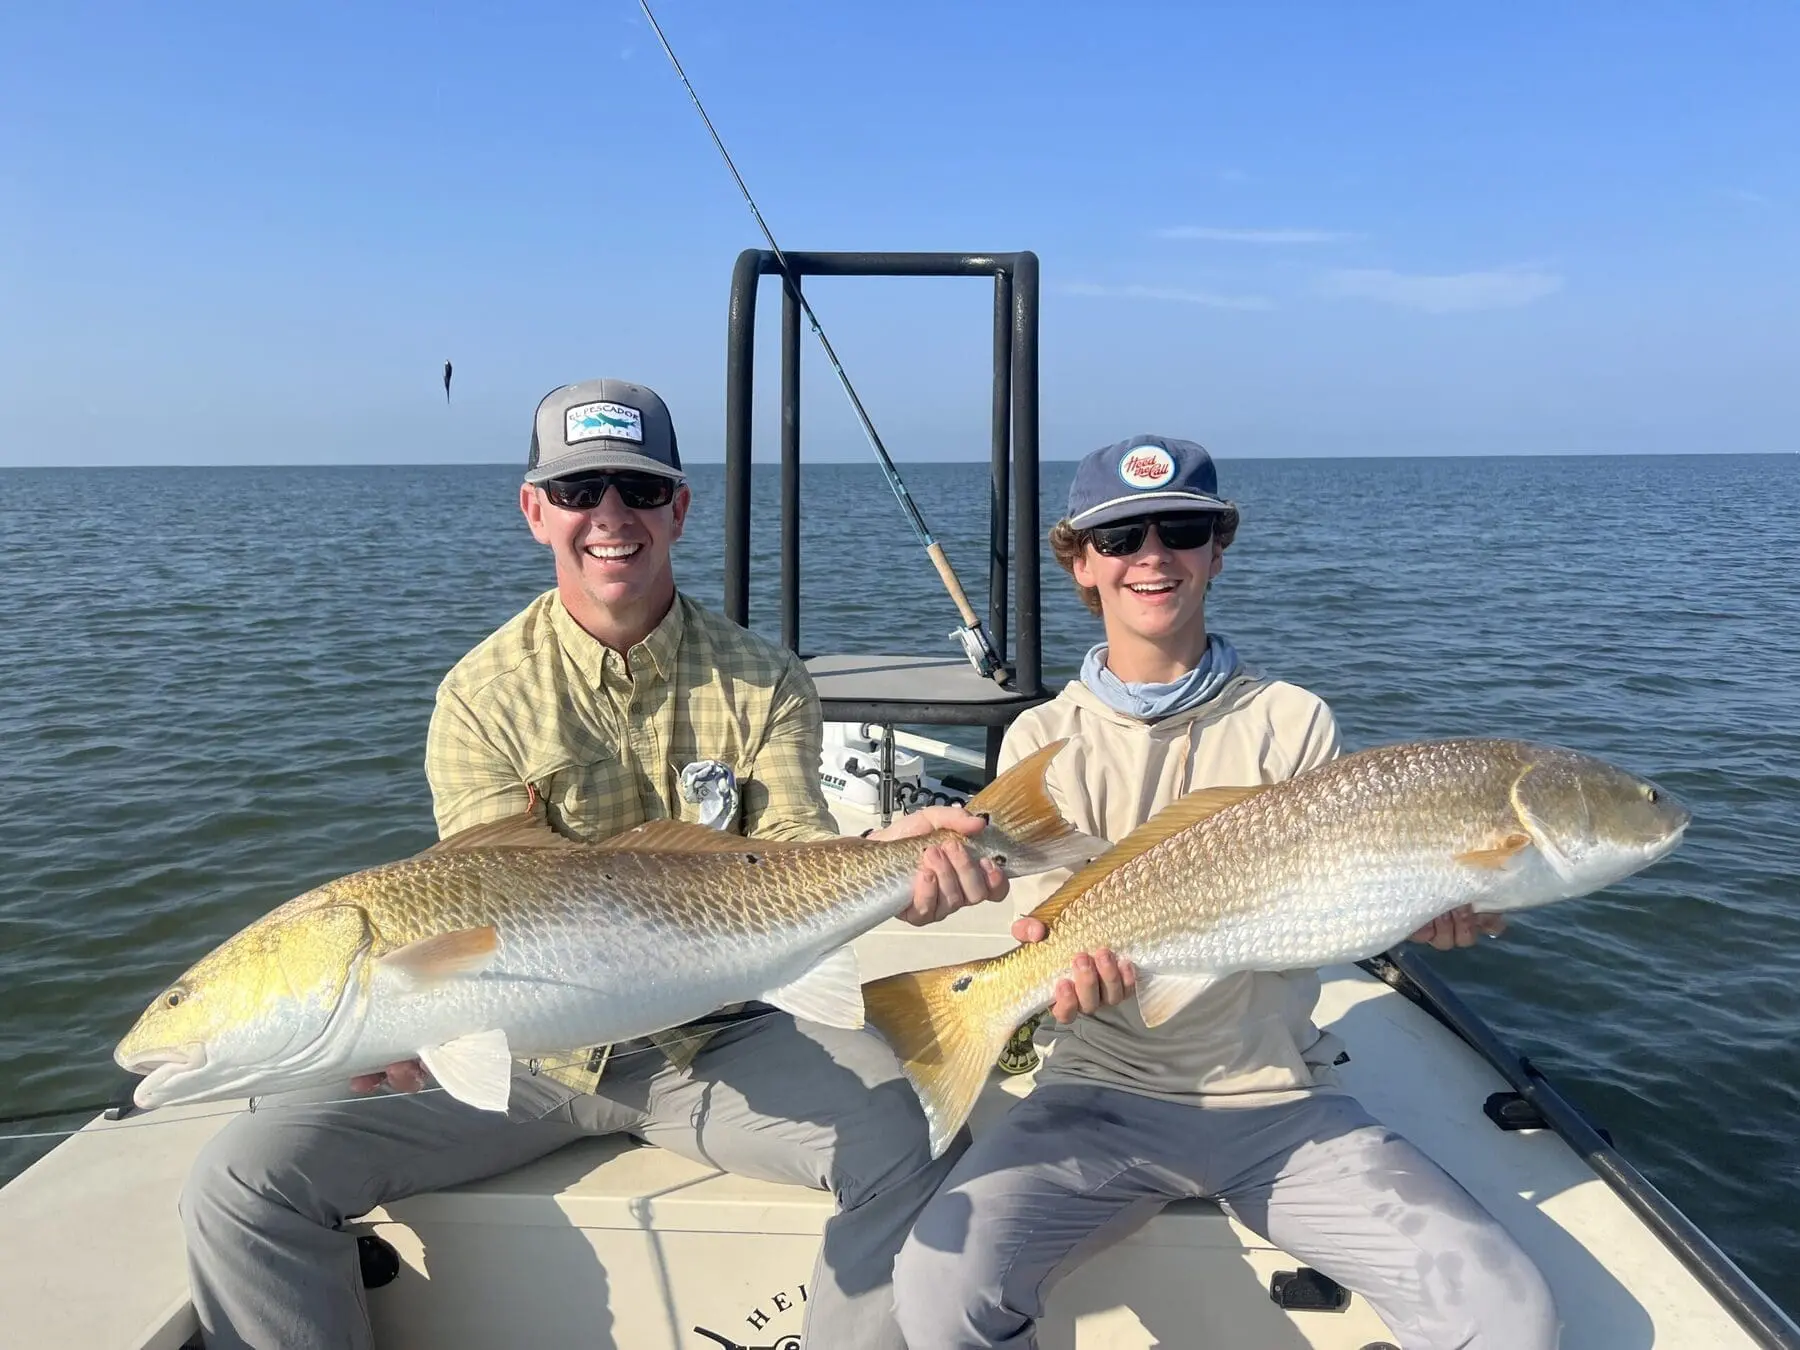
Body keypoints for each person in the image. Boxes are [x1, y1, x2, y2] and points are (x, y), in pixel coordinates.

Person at [178, 378, 1008, 1350]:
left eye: (637, 489)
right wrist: (387, 1024)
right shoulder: (481, 696)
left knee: (909, 1136)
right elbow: (484, 897)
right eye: (579, 492)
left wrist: (883, 865)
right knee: (242, 1180)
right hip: (527, 1055)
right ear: (536, 510)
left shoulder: (766, 677)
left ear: (679, 509)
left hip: (720, 1035)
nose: (609, 516)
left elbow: (789, 854)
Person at [893, 436, 1559, 1349]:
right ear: (1081, 563)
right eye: (1122, 537)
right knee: (936, 1293)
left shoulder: (1295, 719)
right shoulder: (1041, 739)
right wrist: (1050, 988)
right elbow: (1051, 925)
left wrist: (1420, 906)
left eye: (1183, 529)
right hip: (1096, 1093)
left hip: (1280, 1100)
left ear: (1218, 547)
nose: (1153, 556)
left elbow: (1329, 901)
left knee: (1506, 1316)